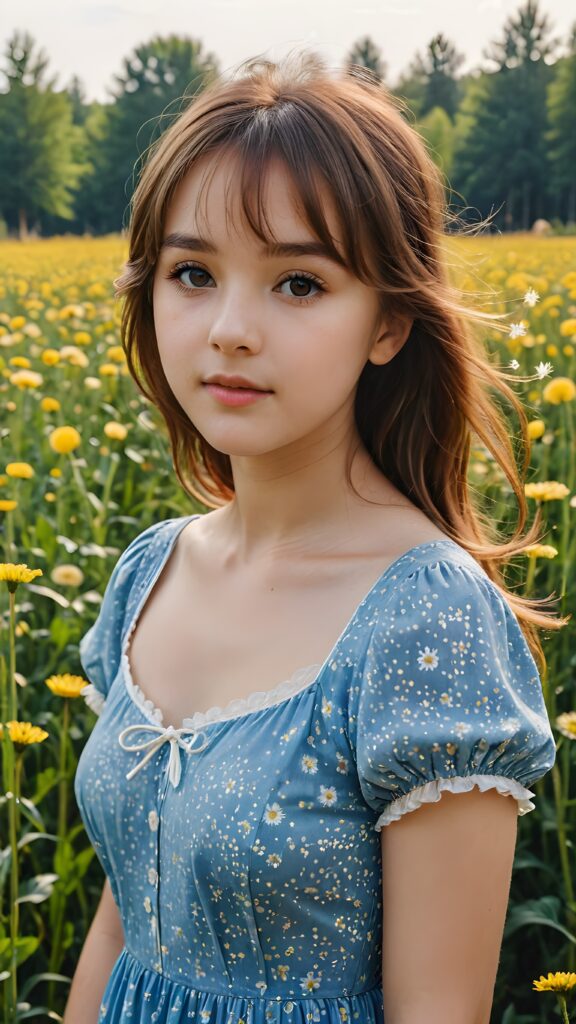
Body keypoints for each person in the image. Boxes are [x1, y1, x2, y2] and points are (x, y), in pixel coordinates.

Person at [65, 51, 567, 1024]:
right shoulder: (149, 571)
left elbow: (438, 1012)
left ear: (387, 322)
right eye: (193, 272)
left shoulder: (429, 620)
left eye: (299, 283)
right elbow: (121, 924)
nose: (230, 330)